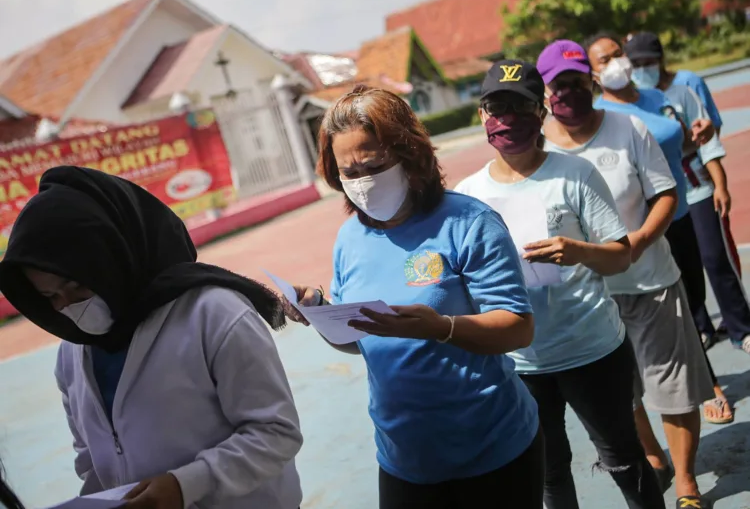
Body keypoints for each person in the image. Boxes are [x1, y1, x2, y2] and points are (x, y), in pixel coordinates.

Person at [288, 85, 544, 509]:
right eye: (348, 173)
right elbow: (357, 340)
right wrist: (317, 311)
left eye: (373, 166)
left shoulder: (469, 222)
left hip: (492, 450)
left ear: (410, 155)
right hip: (405, 460)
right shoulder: (350, 238)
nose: (362, 182)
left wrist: (441, 328)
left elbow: (518, 327)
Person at [0, 167, 303, 509]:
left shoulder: (213, 315)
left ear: (114, 256)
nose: (68, 307)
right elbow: (90, 458)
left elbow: (276, 432)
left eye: (77, 286)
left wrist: (186, 485)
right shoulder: (72, 354)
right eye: (51, 298)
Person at [454, 60, 664, 509]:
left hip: (592, 350)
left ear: (540, 111)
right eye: (495, 105)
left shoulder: (575, 174)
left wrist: (578, 251)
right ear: (481, 114)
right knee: (547, 473)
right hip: (521, 362)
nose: (506, 117)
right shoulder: (468, 197)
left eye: (519, 106)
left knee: (625, 461)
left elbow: (620, 256)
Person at [542, 37, 714, 509]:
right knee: (624, 395)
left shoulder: (629, 128)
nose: (568, 93)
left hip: (650, 281)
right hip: (589, 299)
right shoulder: (536, 150)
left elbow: (666, 195)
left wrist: (636, 244)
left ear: (591, 82)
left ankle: (685, 483)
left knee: (674, 386)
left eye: (577, 82)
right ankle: (654, 458)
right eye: (558, 85)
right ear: (544, 93)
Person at [583, 33, 732, 426]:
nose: (616, 62)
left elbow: (680, 145)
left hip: (679, 214)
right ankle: (709, 388)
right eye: (604, 59)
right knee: (663, 314)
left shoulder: (657, 99)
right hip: (639, 229)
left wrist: (699, 136)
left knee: (695, 302)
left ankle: (699, 377)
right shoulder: (598, 115)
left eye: (618, 54)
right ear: (593, 74)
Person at [626, 31, 750, 356]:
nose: (642, 69)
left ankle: (741, 327)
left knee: (714, 257)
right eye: (635, 64)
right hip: (662, 199)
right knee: (681, 266)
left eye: (648, 62)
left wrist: (720, 184)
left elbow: (707, 140)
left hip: (698, 189)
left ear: (661, 60)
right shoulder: (632, 104)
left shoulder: (681, 92)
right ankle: (700, 328)